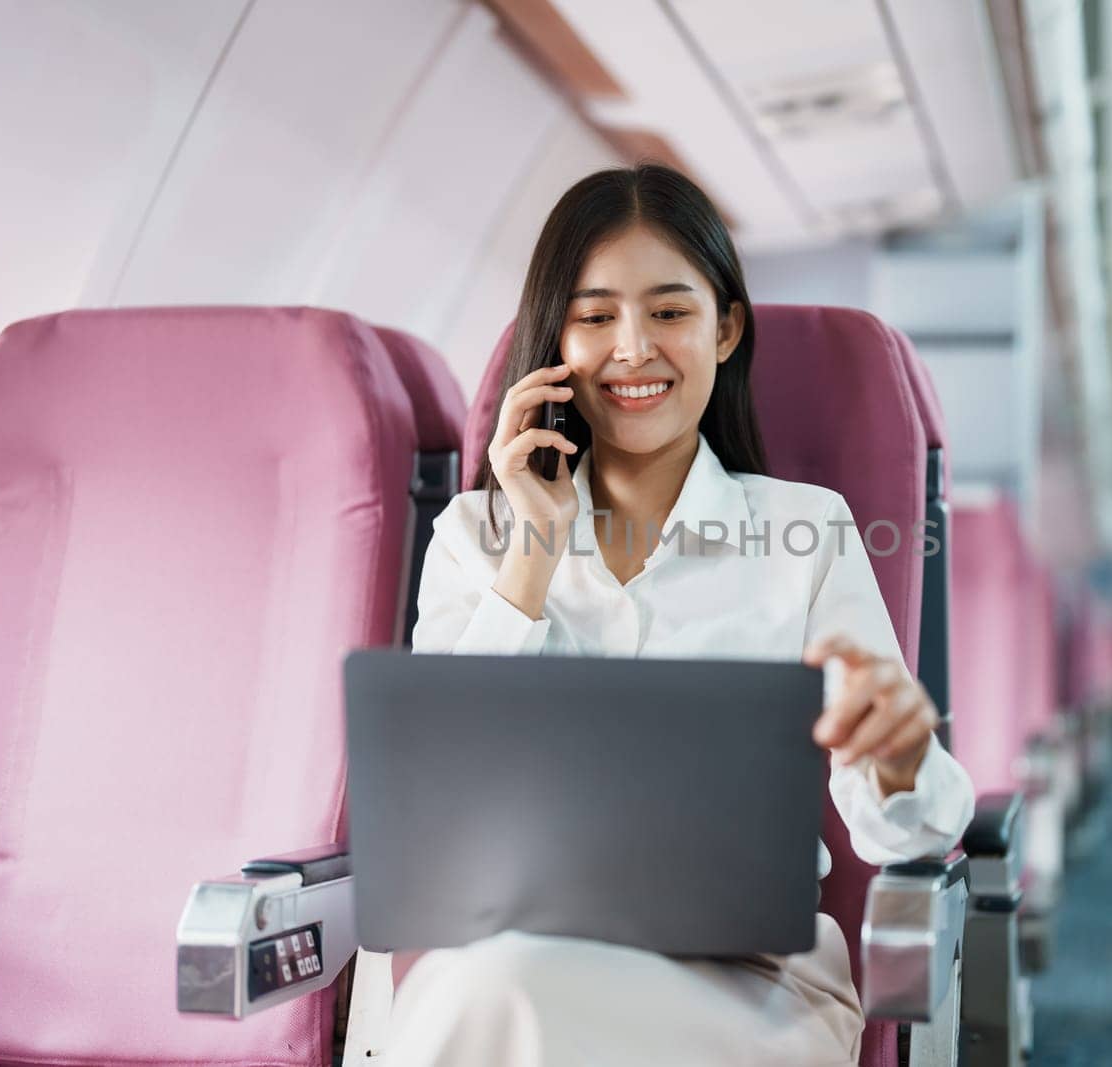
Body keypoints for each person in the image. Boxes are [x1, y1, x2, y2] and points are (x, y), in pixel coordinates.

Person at [384, 163, 975, 1066]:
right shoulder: (477, 534)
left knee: (490, 1005)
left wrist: (897, 757)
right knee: (489, 990)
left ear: (726, 327)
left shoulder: (806, 530)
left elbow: (906, 830)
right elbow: (440, 806)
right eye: (593, 316)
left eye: (668, 311)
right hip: (517, 947)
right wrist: (533, 558)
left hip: (751, 975)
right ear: (553, 341)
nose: (632, 349)